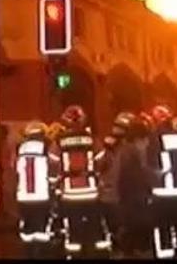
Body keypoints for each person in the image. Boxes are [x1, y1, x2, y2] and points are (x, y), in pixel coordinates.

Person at [52, 105, 111, 258]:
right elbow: (104, 161)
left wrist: (55, 184)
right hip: (91, 192)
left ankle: (74, 253)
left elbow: (52, 164)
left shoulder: (59, 141)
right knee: (96, 224)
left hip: (70, 193)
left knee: (73, 227)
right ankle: (100, 253)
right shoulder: (92, 139)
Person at [146, 105, 177, 259]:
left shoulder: (154, 138)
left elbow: (150, 165)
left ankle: (165, 253)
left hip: (161, 193)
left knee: (163, 229)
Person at [15, 121, 57, 259]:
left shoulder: (20, 148)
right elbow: (53, 167)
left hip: (24, 196)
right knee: (42, 230)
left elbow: (16, 170)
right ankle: (42, 254)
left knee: (27, 229)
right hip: (41, 196)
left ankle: (28, 253)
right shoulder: (46, 147)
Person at [96, 111, 134, 256]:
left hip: (111, 191)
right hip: (118, 192)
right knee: (120, 223)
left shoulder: (110, 143)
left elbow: (101, 165)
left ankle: (117, 246)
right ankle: (120, 246)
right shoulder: (128, 146)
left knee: (115, 223)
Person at [117, 111, 153, 258]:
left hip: (128, 190)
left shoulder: (124, 148)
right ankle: (139, 247)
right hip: (138, 190)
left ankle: (130, 247)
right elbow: (144, 169)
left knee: (131, 220)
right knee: (140, 220)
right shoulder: (137, 148)